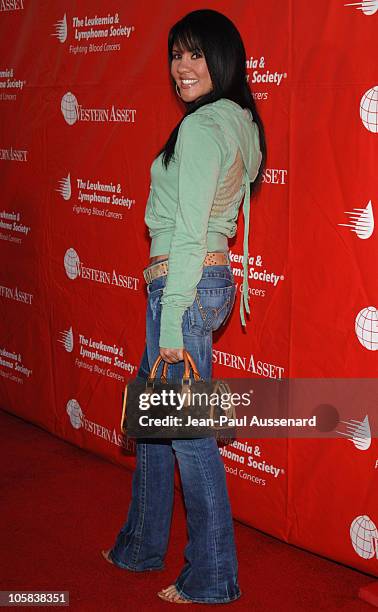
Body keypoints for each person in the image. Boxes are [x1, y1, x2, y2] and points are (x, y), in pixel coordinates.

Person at [102, 8, 266, 605]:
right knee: (154, 421)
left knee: (189, 437)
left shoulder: (200, 129)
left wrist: (171, 319)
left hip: (184, 287)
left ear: (221, 59)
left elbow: (192, 232)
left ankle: (214, 575)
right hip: (207, 284)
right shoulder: (238, 120)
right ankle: (141, 544)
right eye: (176, 55)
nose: (181, 67)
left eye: (195, 54)